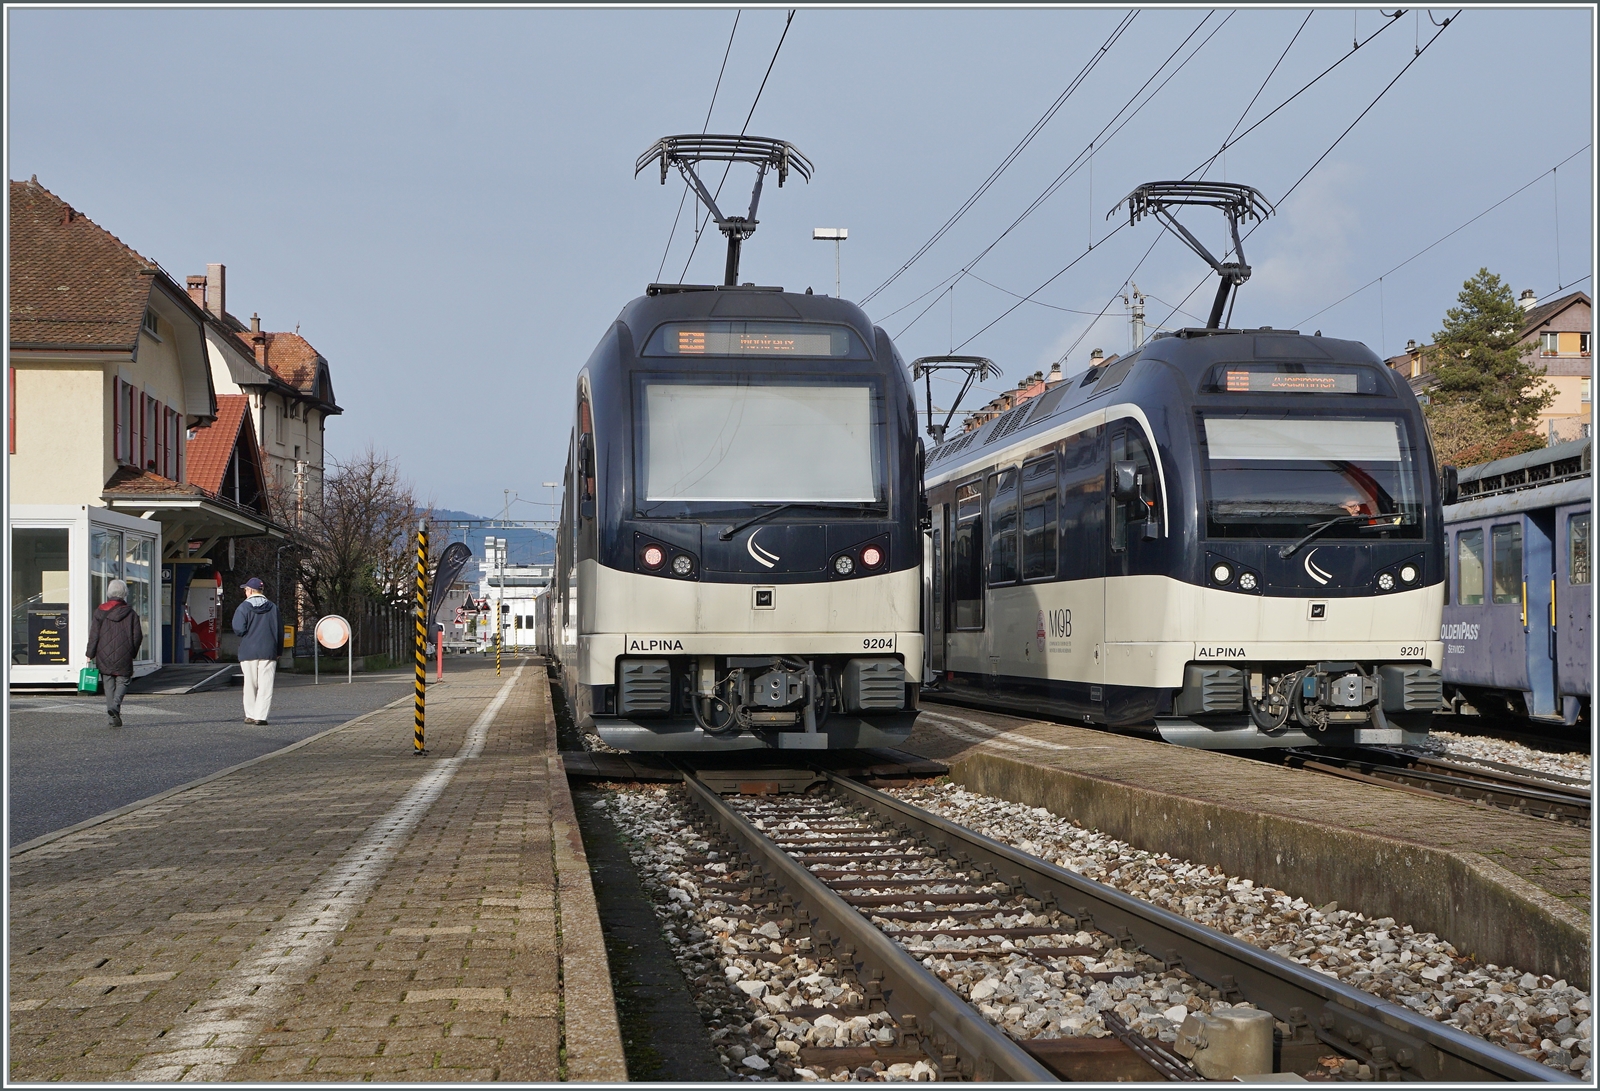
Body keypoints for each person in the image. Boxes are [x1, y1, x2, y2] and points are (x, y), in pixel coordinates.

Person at [84, 579, 142, 727]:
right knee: (123, 680)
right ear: (124, 593)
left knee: (108, 684)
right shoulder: (131, 613)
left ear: (109, 592)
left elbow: (94, 635)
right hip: (124, 652)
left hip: (103, 653)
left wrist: (89, 653)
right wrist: (132, 652)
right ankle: (115, 707)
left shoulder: (100, 611)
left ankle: (112, 717)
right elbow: (137, 636)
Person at [232, 577, 282, 725]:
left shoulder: (243, 607)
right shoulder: (273, 607)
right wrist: (278, 651)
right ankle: (261, 717)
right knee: (266, 685)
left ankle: (250, 714)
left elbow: (239, 629)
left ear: (251, 591)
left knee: (250, 684)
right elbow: (279, 631)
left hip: (248, 651)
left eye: (246, 590)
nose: (245, 592)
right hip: (268, 650)